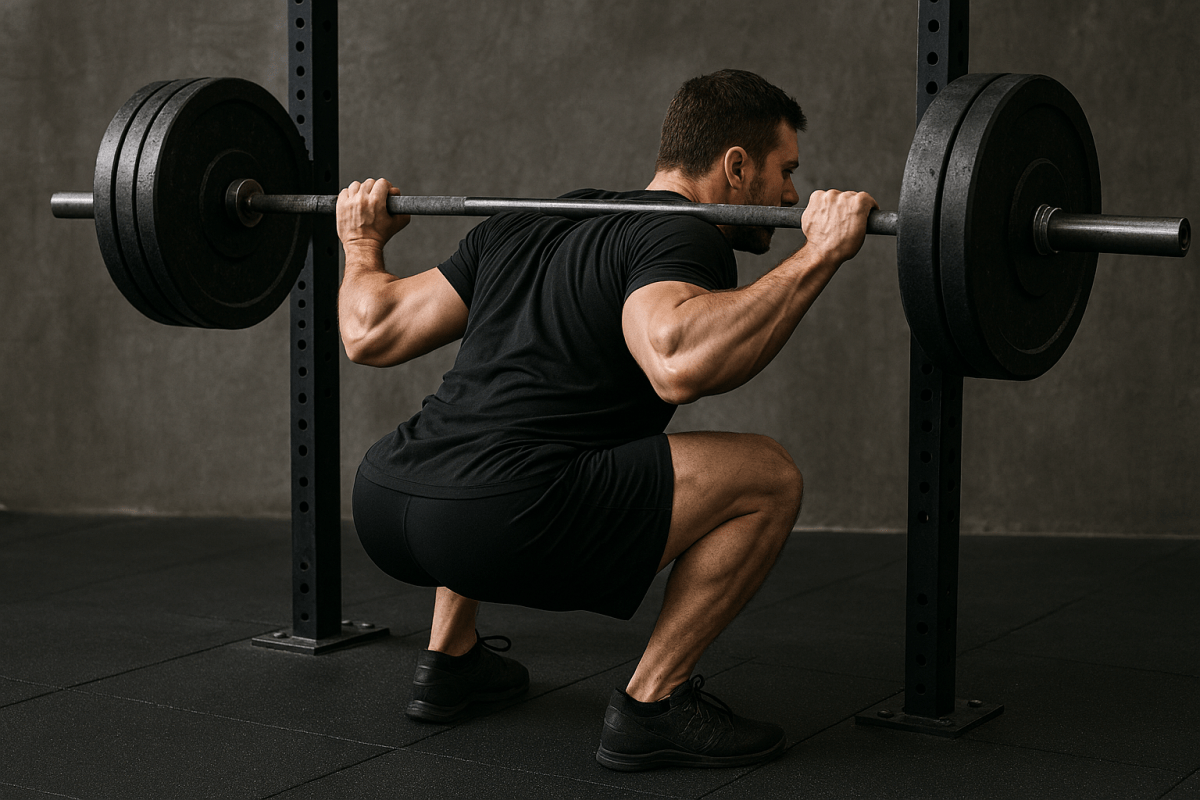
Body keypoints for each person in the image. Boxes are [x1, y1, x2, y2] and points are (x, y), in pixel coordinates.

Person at [336, 69, 876, 771]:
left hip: (385, 499)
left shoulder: (530, 219)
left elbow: (369, 330)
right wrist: (821, 252)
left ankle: (450, 662)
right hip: (496, 521)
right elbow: (676, 358)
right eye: (785, 172)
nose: (792, 197)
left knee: (506, 427)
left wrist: (361, 244)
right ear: (735, 167)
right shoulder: (683, 236)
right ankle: (653, 706)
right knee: (768, 477)